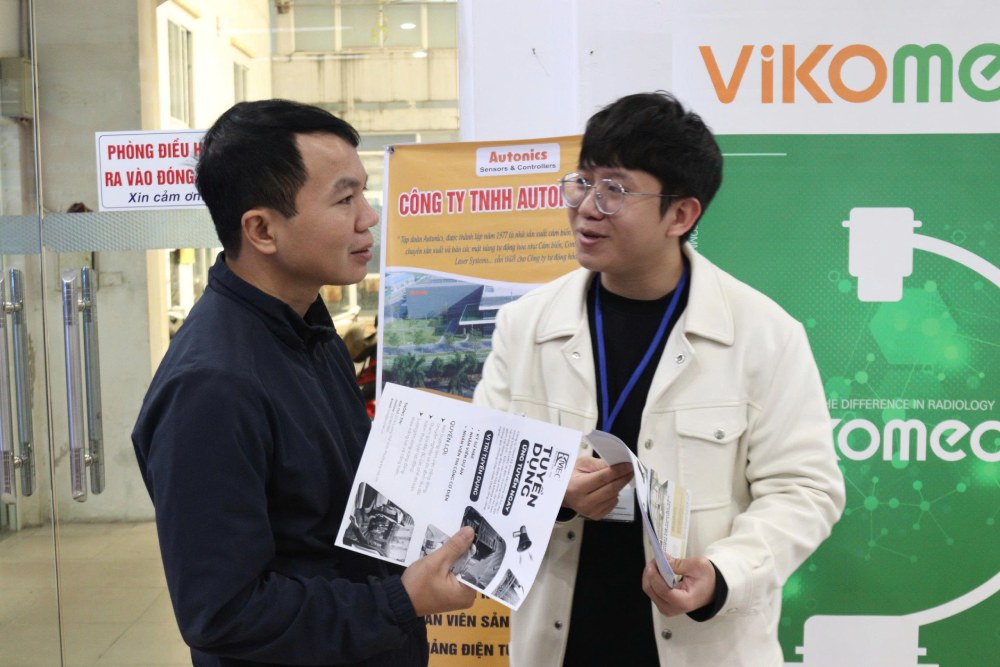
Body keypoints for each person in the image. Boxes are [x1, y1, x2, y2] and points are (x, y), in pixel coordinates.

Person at [472, 91, 846, 666]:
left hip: (701, 642)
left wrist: (723, 573)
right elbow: (482, 466)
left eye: (615, 189)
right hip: (562, 641)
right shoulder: (526, 326)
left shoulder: (763, 334)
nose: (587, 206)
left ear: (681, 215)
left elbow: (806, 490)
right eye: (583, 181)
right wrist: (553, 493)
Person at [132, 99, 477, 667]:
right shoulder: (212, 386)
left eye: (364, 193)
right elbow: (223, 614)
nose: (369, 217)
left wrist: (534, 492)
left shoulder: (308, 331)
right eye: (344, 199)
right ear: (262, 229)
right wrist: (399, 601)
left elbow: (351, 500)